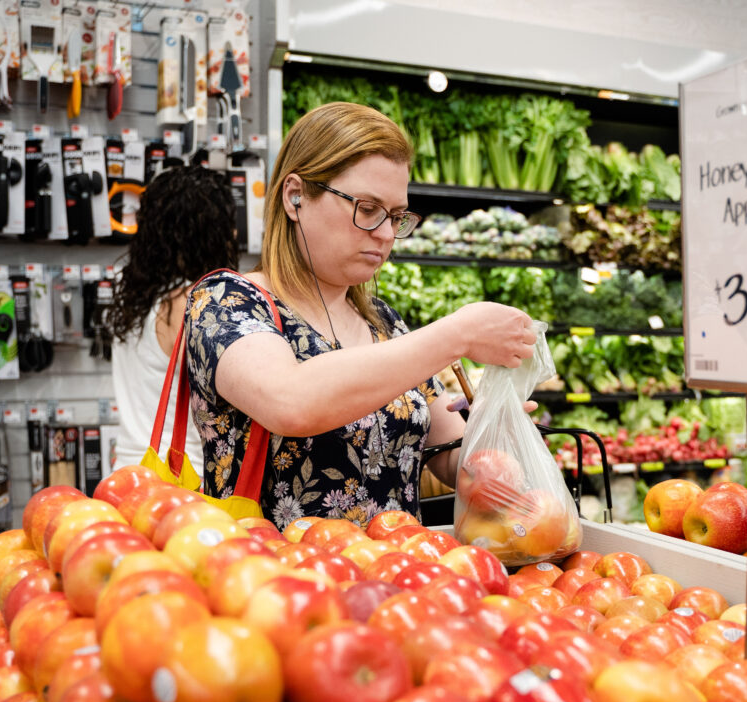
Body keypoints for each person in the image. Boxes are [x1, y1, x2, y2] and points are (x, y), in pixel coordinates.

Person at [184, 102, 536, 529]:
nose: (387, 234)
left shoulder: (384, 324)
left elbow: (452, 460)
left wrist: (496, 428)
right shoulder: (227, 300)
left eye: (396, 217)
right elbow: (290, 402)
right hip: (275, 585)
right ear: (295, 196)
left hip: (398, 582)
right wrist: (458, 333)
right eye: (367, 209)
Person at [108, 165, 240, 471]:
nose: (234, 233)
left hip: (129, 471)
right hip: (181, 481)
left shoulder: (136, 295)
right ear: (211, 232)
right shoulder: (193, 303)